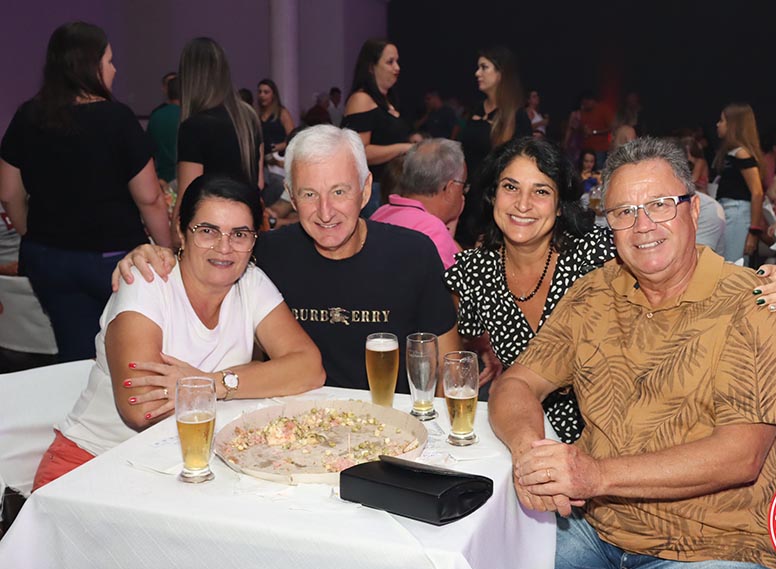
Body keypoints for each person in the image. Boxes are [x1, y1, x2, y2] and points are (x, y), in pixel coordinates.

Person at [489, 137, 776, 569]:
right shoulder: (593, 294)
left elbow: (742, 456)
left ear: (694, 210)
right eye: (624, 212)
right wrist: (529, 454)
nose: (642, 226)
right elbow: (515, 382)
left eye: (659, 205)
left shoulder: (754, 302)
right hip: (592, 532)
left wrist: (596, 475)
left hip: (720, 551)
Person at [444, 137, 776, 444]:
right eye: (510, 187)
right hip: (520, 429)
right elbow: (461, 349)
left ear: (560, 203)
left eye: (540, 191)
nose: (523, 204)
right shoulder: (473, 270)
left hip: (603, 434)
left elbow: (676, 258)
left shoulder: (599, 252)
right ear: (492, 195)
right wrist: (482, 350)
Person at [115, 125, 461, 394]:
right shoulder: (265, 253)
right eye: (309, 194)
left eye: (339, 192)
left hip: (394, 425)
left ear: (366, 190)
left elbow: (447, 368)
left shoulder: (413, 253)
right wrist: (154, 254)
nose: (325, 211)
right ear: (292, 198)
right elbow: (211, 255)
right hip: (294, 430)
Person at [33, 174, 325, 490]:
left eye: (239, 234)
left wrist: (210, 383)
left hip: (188, 471)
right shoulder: (147, 282)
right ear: (181, 232)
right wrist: (252, 378)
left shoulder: (250, 282)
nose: (224, 247)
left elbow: (309, 367)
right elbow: (142, 408)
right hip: (92, 468)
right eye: (208, 231)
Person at [0, 21, 172, 362]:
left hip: (48, 257)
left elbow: (8, 192)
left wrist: (30, 233)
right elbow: (150, 197)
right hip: (113, 259)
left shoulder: (28, 115)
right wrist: (167, 249)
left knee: (76, 354)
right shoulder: (117, 119)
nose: (114, 69)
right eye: (109, 60)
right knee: (129, 353)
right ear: (90, 66)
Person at [173, 37, 263, 240]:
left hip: (211, 234)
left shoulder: (193, 127)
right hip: (246, 229)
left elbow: (187, 198)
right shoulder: (248, 119)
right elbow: (259, 182)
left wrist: (172, 240)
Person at [457, 46, 532, 245]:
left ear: (500, 74)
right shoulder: (475, 109)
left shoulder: (516, 117)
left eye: (484, 67)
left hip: (493, 203)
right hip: (467, 199)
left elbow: (521, 164)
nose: (477, 73)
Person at [342, 39, 412, 218]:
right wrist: (404, 148)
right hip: (373, 191)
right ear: (371, 67)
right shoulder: (361, 100)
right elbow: (360, 152)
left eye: (397, 61)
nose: (397, 68)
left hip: (393, 188)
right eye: (390, 62)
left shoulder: (388, 101)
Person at [369, 138, 465, 269]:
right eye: (463, 186)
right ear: (450, 188)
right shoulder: (433, 232)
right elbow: (464, 280)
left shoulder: (381, 212)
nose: (463, 195)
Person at [713, 103, 766, 263]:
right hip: (728, 211)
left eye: (722, 120)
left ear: (733, 125)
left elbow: (757, 192)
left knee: (734, 265)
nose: (718, 124)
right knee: (727, 263)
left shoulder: (741, 154)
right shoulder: (732, 153)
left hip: (737, 213)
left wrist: (753, 232)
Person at [147, 75, 180, 185]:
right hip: (182, 177)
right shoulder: (187, 116)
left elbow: (148, 149)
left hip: (161, 178)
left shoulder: (156, 116)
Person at [257, 78, 296, 155]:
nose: (262, 95)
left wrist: (274, 147)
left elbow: (292, 138)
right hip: (262, 156)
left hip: (279, 156)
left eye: (266, 92)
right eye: (260, 92)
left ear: (274, 95)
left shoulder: (282, 113)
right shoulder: (256, 113)